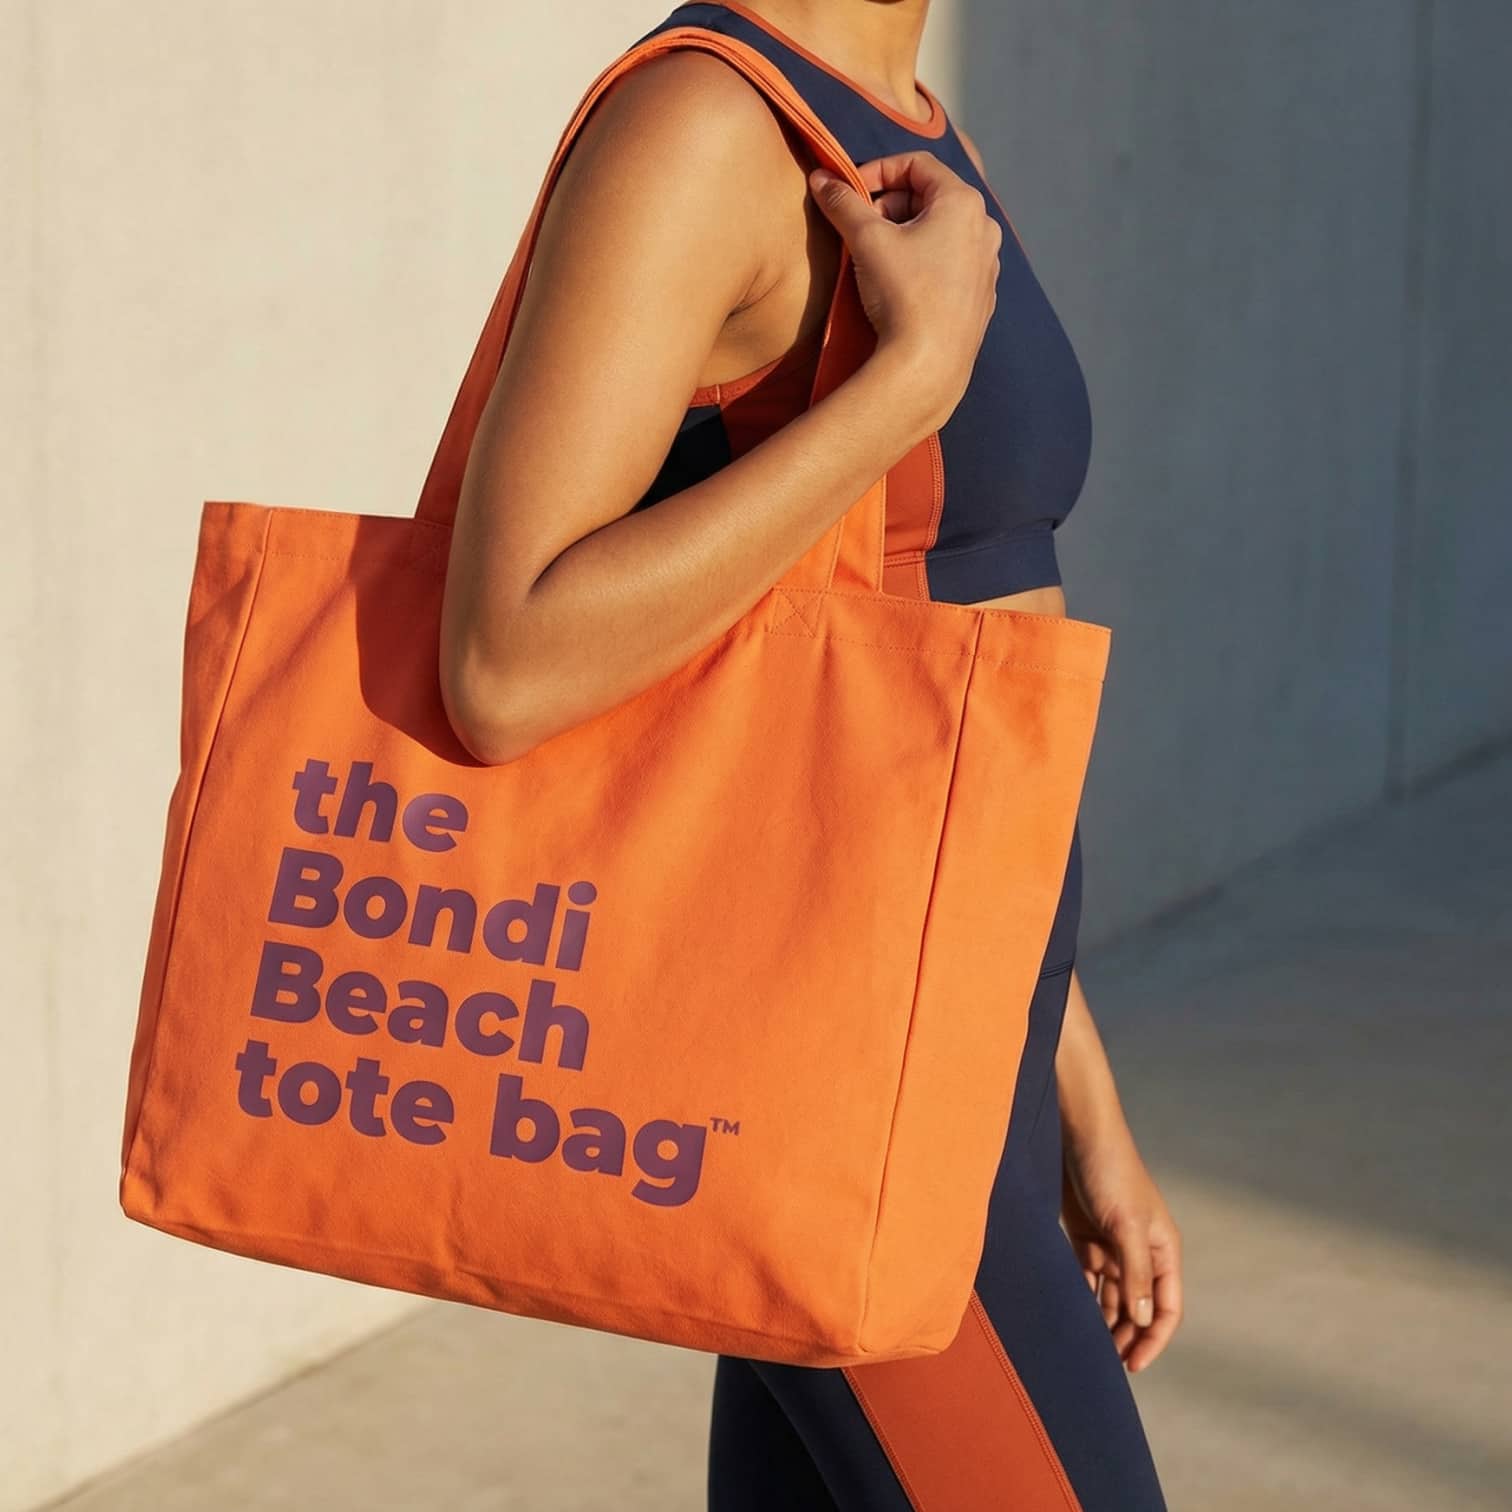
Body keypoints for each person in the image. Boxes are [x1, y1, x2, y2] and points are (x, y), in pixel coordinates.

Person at [438, 1, 1182, 1506]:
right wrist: (905, 389)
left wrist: (1078, 1103)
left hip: (964, 1065)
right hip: (851, 1106)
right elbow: (503, 662)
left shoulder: (903, 112)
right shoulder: (706, 125)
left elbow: (937, 695)